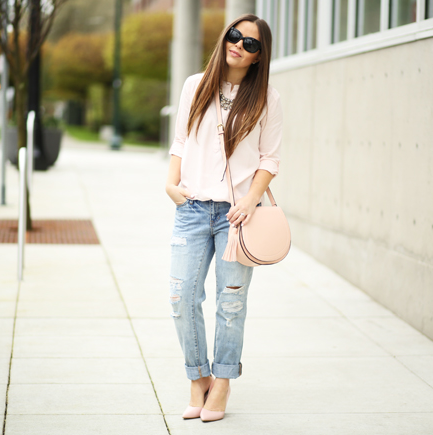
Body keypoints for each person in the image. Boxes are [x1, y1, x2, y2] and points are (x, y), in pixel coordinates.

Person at [165, 14, 282, 422]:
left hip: (236, 217)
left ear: (259, 56)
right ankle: (198, 378)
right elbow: (181, 139)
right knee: (181, 298)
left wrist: (251, 200)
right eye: (235, 36)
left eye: (251, 44)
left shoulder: (267, 96)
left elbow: (270, 158)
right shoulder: (195, 85)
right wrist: (170, 182)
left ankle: (224, 381)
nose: (239, 45)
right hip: (193, 208)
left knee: (230, 304)